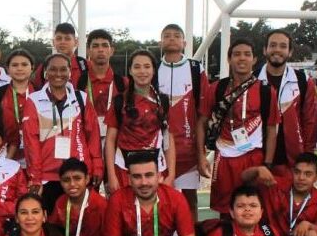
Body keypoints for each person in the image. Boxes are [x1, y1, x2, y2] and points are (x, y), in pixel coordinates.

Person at [197, 39, 280, 215]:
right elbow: (202, 122)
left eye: (247, 54)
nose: (242, 58)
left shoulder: (266, 90)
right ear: (229, 59)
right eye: (236, 54)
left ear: (254, 59)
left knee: (253, 209)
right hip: (224, 158)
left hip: (253, 157)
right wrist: (201, 156)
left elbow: (271, 129)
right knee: (225, 211)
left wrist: (267, 163)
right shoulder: (217, 88)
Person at [21, 53, 102, 214]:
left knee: (80, 221)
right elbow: (31, 141)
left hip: (78, 173)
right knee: (51, 222)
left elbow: (93, 135)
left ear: (70, 72)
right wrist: (35, 176)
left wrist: (97, 166)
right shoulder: (34, 100)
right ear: (45, 72)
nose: (58, 74)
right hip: (47, 176)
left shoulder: (81, 98)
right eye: (53, 69)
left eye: (63, 69)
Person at [156, 24, 209, 218]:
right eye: (167, 35)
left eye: (177, 36)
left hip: (188, 150)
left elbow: (203, 113)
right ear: (160, 42)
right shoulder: (152, 68)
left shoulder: (195, 68)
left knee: (189, 202)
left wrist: (201, 153)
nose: (172, 39)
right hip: (160, 149)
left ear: (184, 43)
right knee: (160, 199)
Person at [105, 49, 176, 193]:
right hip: (124, 168)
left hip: (155, 167)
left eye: (147, 66)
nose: (142, 71)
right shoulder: (120, 101)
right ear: (130, 71)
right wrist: (111, 176)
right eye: (137, 67)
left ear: (154, 70)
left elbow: (168, 140)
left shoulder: (162, 101)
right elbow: (110, 140)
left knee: (155, 206)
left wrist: (171, 174)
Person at [257, 29, 317, 169]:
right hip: (258, 156)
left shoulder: (303, 81)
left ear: (290, 52)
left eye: (283, 46)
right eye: (273, 45)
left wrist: (308, 154)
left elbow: (310, 121)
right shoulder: (252, 80)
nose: (277, 50)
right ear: (265, 50)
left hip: (292, 159)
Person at [83, 30, 126, 155]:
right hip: (86, 148)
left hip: (117, 149)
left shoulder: (124, 84)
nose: (100, 50)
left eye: (105, 45)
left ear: (112, 50)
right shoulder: (79, 82)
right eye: (95, 46)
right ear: (88, 51)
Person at [0, 49, 36, 167]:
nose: (19, 68)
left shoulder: (40, 92)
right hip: (5, 154)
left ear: (32, 68)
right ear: (7, 69)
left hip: (35, 154)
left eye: (24, 64)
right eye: (15, 65)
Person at [35, 23, 88, 87]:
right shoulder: (44, 67)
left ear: (76, 42)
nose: (63, 42)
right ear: (53, 42)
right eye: (59, 38)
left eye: (67, 39)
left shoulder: (85, 66)